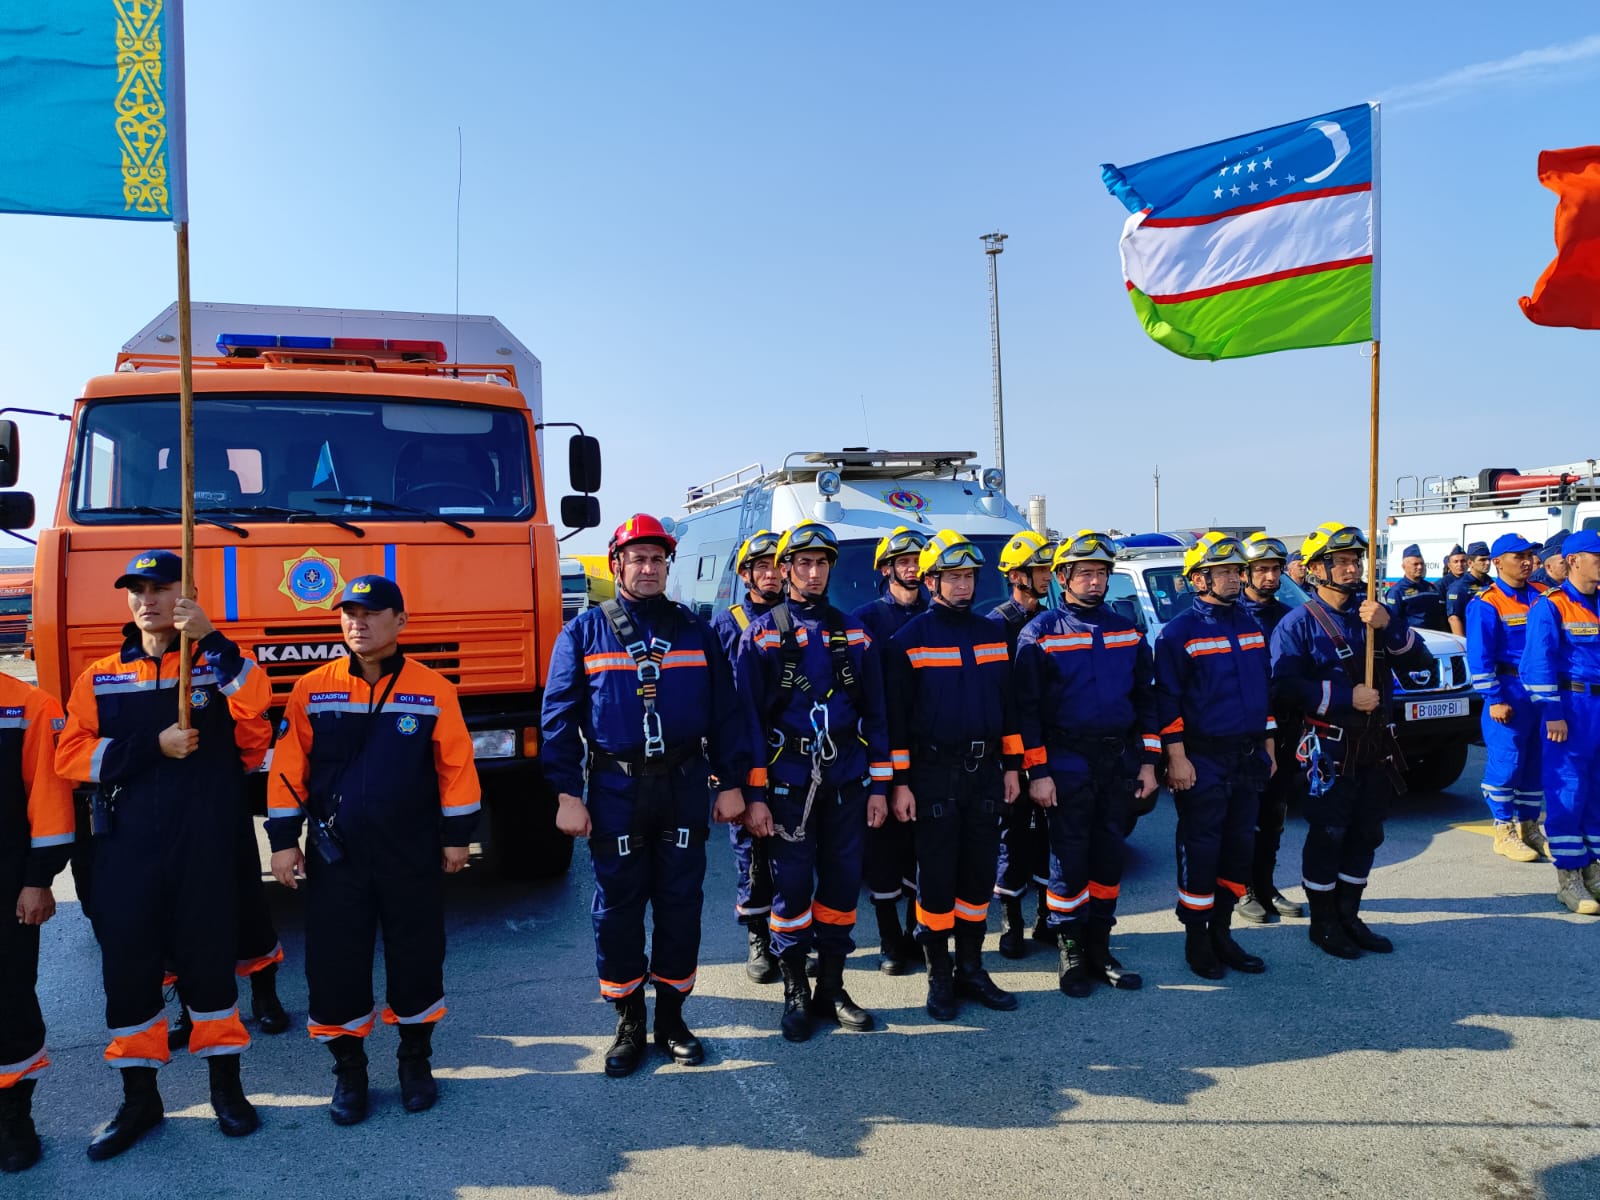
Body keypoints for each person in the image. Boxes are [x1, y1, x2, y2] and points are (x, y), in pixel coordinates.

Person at [56, 550, 267, 1159]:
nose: (147, 600)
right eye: (137, 590)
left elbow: (256, 714)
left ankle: (227, 1089)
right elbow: (70, 757)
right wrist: (153, 746)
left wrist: (214, 640)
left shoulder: (216, 665)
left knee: (209, 967)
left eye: (161, 588)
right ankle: (139, 1100)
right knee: (128, 975)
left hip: (203, 845)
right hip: (125, 850)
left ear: (187, 592)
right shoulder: (100, 676)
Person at [541, 517, 750, 1076]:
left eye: (657, 559)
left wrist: (730, 783)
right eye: (637, 558)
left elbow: (726, 713)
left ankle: (673, 1020)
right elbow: (557, 719)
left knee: (681, 904)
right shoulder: (582, 633)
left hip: (683, 783)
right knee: (618, 907)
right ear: (617, 565)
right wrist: (566, 793)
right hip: (615, 787)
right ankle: (630, 1020)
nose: (649, 568)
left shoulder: (696, 630)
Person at [268, 574, 481, 1120]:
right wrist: (283, 842)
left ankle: (415, 1061)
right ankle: (349, 1072)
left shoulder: (433, 688)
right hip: (337, 855)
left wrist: (458, 837)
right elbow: (289, 770)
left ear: (400, 621)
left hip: (410, 850)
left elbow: (456, 768)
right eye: (349, 614)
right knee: (335, 963)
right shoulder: (312, 688)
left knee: (417, 956)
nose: (357, 624)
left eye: (370, 613)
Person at [738, 520, 891, 1042]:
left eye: (822, 563)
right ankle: (795, 991)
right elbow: (747, 723)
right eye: (803, 562)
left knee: (843, 885)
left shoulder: (857, 633)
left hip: (847, 779)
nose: (813, 572)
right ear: (785, 570)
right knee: (794, 888)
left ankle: (831, 987)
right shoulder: (761, 635)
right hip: (788, 784)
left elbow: (878, 716)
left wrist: (880, 787)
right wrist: (754, 796)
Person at [1270, 524, 1434, 960]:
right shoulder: (1297, 624)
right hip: (1329, 749)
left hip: (1377, 748)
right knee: (1329, 834)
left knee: (1367, 833)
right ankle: (1323, 922)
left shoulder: (1375, 613)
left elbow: (1421, 665)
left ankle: (1350, 915)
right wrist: (1345, 697)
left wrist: (1390, 626)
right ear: (1317, 569)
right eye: (1340, 561)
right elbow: (1283, 688)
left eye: (1355, 561)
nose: (1352, 568)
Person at [883, 530, 1022, 1020]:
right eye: (953, 577)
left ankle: (971, 968)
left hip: (985, 773)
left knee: (978, 876)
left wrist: (1012, 767)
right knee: (937, 880)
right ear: (931, 581)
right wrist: (900, 783)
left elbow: (1010, 708)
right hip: (932, 775)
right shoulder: (908, 640)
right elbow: (895, 722)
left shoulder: (993, 634)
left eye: (968, 577)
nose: (963, 585)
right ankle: (939, 975)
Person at [1014, 531, 1159, 998]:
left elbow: (1146, 700)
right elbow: (1025, 711)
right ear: (1063, 578)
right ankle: (1071, 949)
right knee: (1069, 861)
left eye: (1101, 573)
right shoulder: (1040, 633)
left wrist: (1149, 763)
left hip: (1117, 763)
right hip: (1066, 763)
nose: (1095, 582)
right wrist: (1038, 772)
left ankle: (1101, 947)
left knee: (1108, 858)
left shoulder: (1126, 629)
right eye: (1085, 574)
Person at [1154, 533, 1276, 979]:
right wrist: (1177, 758)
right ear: (1198, 579)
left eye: (1235, 571)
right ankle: (1197, 939)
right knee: (1201, 850)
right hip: (1202, 759)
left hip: (1247, 756)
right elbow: (1166, 702)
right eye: (1222, 572)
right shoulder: (1177, 633)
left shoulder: (1250, 627)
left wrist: (1268, 747)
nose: (1232, 579)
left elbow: (1263, 693)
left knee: (1239, 848)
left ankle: (1223, 932)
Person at [0, 673, 73, 1173]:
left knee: (9, 1000)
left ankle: (12, 1117)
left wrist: (38, 879)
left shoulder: (28, 705)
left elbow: (48, 799)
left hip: (7, 885)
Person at [850, 525, 928, 975]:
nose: (912, 568)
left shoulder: (937, 614)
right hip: (877, 750)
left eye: (918, 561)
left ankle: (917, 931)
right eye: (904, 562)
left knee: (922, 849)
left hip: (927, 752)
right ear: (885, 569)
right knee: (882, 850)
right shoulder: (863, 621)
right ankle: (889, 938)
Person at [710, 530, 784, 985]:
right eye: (761, 567)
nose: (771, 574)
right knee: (752, 852)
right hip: (742, 751)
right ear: (745, 575)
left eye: (777, 566)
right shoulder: (726, 624)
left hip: (789, 751)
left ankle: (791, 936)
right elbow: (714, 698)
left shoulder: (797, 618)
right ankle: (758, 936)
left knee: (793, 851)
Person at [1521, 530, 1600, 916]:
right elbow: (1538, 662)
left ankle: (1593, 867)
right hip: (1571, 706)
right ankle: (1569, 875)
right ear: (1573, 561)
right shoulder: (1551, 605)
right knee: (1567, 789)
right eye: (1598, 557)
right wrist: (1553, 712)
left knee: (1597, 790)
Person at [988, 530, 1057, 958]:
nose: (1047, 575)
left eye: (1049, 568)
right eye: (1040, 568)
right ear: (1016, 576)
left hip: (1049, 745)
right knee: (1013, 837)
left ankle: (1047, 918)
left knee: (1050, 834)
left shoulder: (1050, 620)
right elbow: (998, 698)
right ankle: (1011, 923)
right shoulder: (996, 625)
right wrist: (1012, 760)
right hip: (1010, 751)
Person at [1467, 533, 1549, 864]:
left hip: (1541, 692)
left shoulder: (1543, 594)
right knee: (1508, 763)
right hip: (1508, 691)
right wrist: (1494, 698)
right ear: (1498, 563)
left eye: (1529, 555)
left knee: (1535, 763)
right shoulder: (1487, 603)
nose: (1527, 562)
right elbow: (1479, 658)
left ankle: (1530, 827)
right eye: (1519, 556)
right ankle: (1504, 830)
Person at [1234, 533, 1304, 923]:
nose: (1271, 577)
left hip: (1285, 728)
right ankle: (1242, 888)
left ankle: (1266, 885)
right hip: (1244, 731)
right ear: (1245, 573)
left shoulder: (1291, 616)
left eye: (1276, 569)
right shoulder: (1232, 617)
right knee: (1244, 814)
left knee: (1274, 814)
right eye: (1261, 569)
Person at [1385, 544, 1447, 632]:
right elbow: (1393, 621)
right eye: (1415, 564)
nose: (1420, 567)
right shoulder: (1397, 591)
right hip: (1412, 637)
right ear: (1404, 567)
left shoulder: (1430, 588)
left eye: (1422, 563)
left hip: (1434, 635)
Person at [1446, 542, 1493, 637]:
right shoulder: (1459, 586)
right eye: (1482, 560)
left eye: (1489, 559)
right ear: (1470, 563)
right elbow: (1454, 618)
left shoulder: (1491, 583)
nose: (1487, 563)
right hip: (1472, 637)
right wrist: (1463, 643)